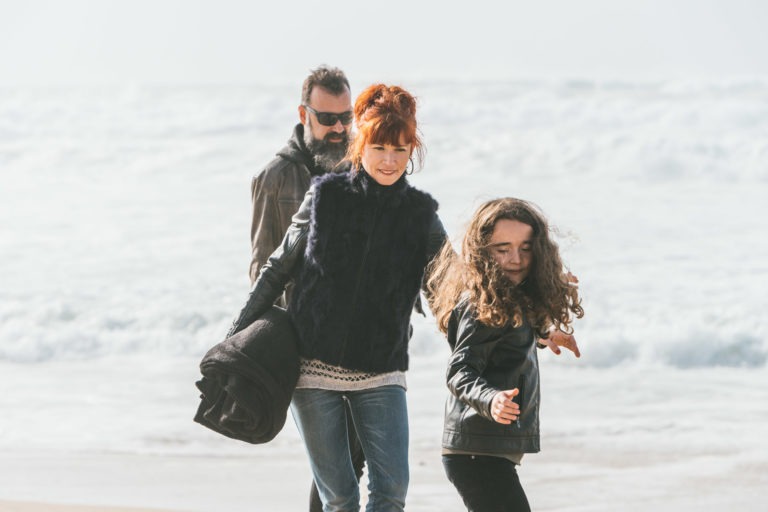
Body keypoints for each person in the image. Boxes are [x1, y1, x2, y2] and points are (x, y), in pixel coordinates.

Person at [228, 83, 448, 511]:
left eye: (400, 150)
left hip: (382, 370)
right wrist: (235, 337)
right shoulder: (325, 196)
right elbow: (276, 268)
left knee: (392, 493)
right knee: (340, 499)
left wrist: (522, 324)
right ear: (361, 143)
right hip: (312, 370)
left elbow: (451, 285)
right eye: (380, 147)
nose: (389, 160)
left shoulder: (420, 215)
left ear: (411, 152)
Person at [247, 65, 363, 511]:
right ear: (303, 113)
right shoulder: (275, 178)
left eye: (346, 118)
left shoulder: (365, 167)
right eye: (328, 118)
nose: (339, 129)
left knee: (354, 461)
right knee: (336, 469)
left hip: (365, 342)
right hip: (307, 346)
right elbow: (261, 267)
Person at [426, 198, 584, 512]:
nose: (516, 259)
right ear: (482, 251)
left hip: (482, 448)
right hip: (475, 450)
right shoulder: (477, 305)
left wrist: (542, 335)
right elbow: (460, 372)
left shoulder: (506, 298)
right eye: (503, 249)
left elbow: (503, 337)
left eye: (525, 248)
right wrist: (491, 399)